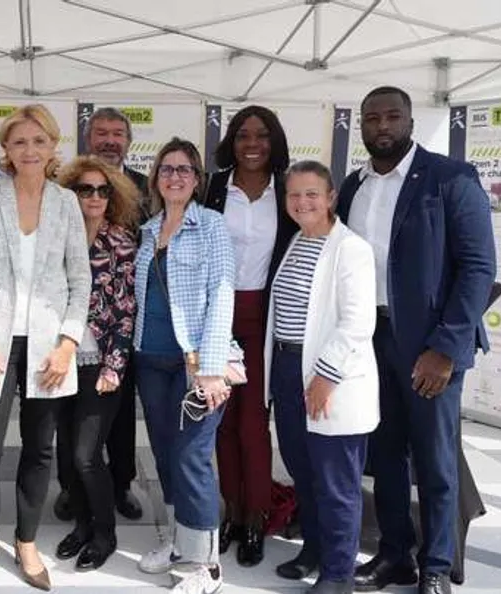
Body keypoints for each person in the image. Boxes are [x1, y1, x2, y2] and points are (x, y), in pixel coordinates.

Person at [336, 86, 496, 594]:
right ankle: (394, 555)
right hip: (369, 340)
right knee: (384, 457)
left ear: (409, 120)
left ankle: (437, 566)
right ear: (360, 125)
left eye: (392, 116)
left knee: (434, 458)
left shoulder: (449, 179)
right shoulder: (351, 186)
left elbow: (478, 268)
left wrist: (446, 348)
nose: (382, 126)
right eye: (371, 118)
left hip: (430, 346)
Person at [0, 104, 92, 593]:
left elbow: (81, 279)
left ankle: (27, 541)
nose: (29, 150)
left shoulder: (65, 203)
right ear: (6, 150)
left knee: (39, 449)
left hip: (48, 348)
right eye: (20, 142)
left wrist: (68, 342)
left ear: (53, 146)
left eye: (39, 141)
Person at [266, 161, 379, 594]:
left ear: (331, 197)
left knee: (336, 484)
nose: (302, 202)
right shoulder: (297, 241)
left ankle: (338, 574)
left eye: (312, 194)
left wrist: (325, 377)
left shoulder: (350, 249)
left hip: (327, 379)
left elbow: (356, 323)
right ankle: (312, 549)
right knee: (304, 472)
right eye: (294, 195)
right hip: (287, 372)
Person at [133, 137, 235, 594]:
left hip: (196, 363)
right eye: (167, 169)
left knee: (193, 456)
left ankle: (205, 565)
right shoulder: (148, 229)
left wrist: (211, 368)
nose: (175, 176)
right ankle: (180, 543)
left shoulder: (211, 225)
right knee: (166, 454)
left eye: (184, 169)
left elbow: (222, 295)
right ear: (156, 177)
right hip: (149, 360)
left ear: (197, 180)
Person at [202, 105, 296, 566]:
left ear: (274, 141)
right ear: (231, 142)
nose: (252, 143)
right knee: (221, 418)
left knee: (254, 424)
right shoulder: (213, 187)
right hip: (217, 312)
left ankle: (257, 518)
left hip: (266, 314)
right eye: (243, 135)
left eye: (262, 135)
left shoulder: (288, 190)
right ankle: (232, 512)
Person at [56, 107, 148, 523]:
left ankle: (121, 483)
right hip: (67, 339)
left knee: (120, 412)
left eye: (117, 134)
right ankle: (70, 487)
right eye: (101, 133)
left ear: (128, 142)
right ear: (88, 140)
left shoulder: (147, 188)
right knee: (66, 418)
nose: (109, 140)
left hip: (121, 329)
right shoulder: (64, 194)